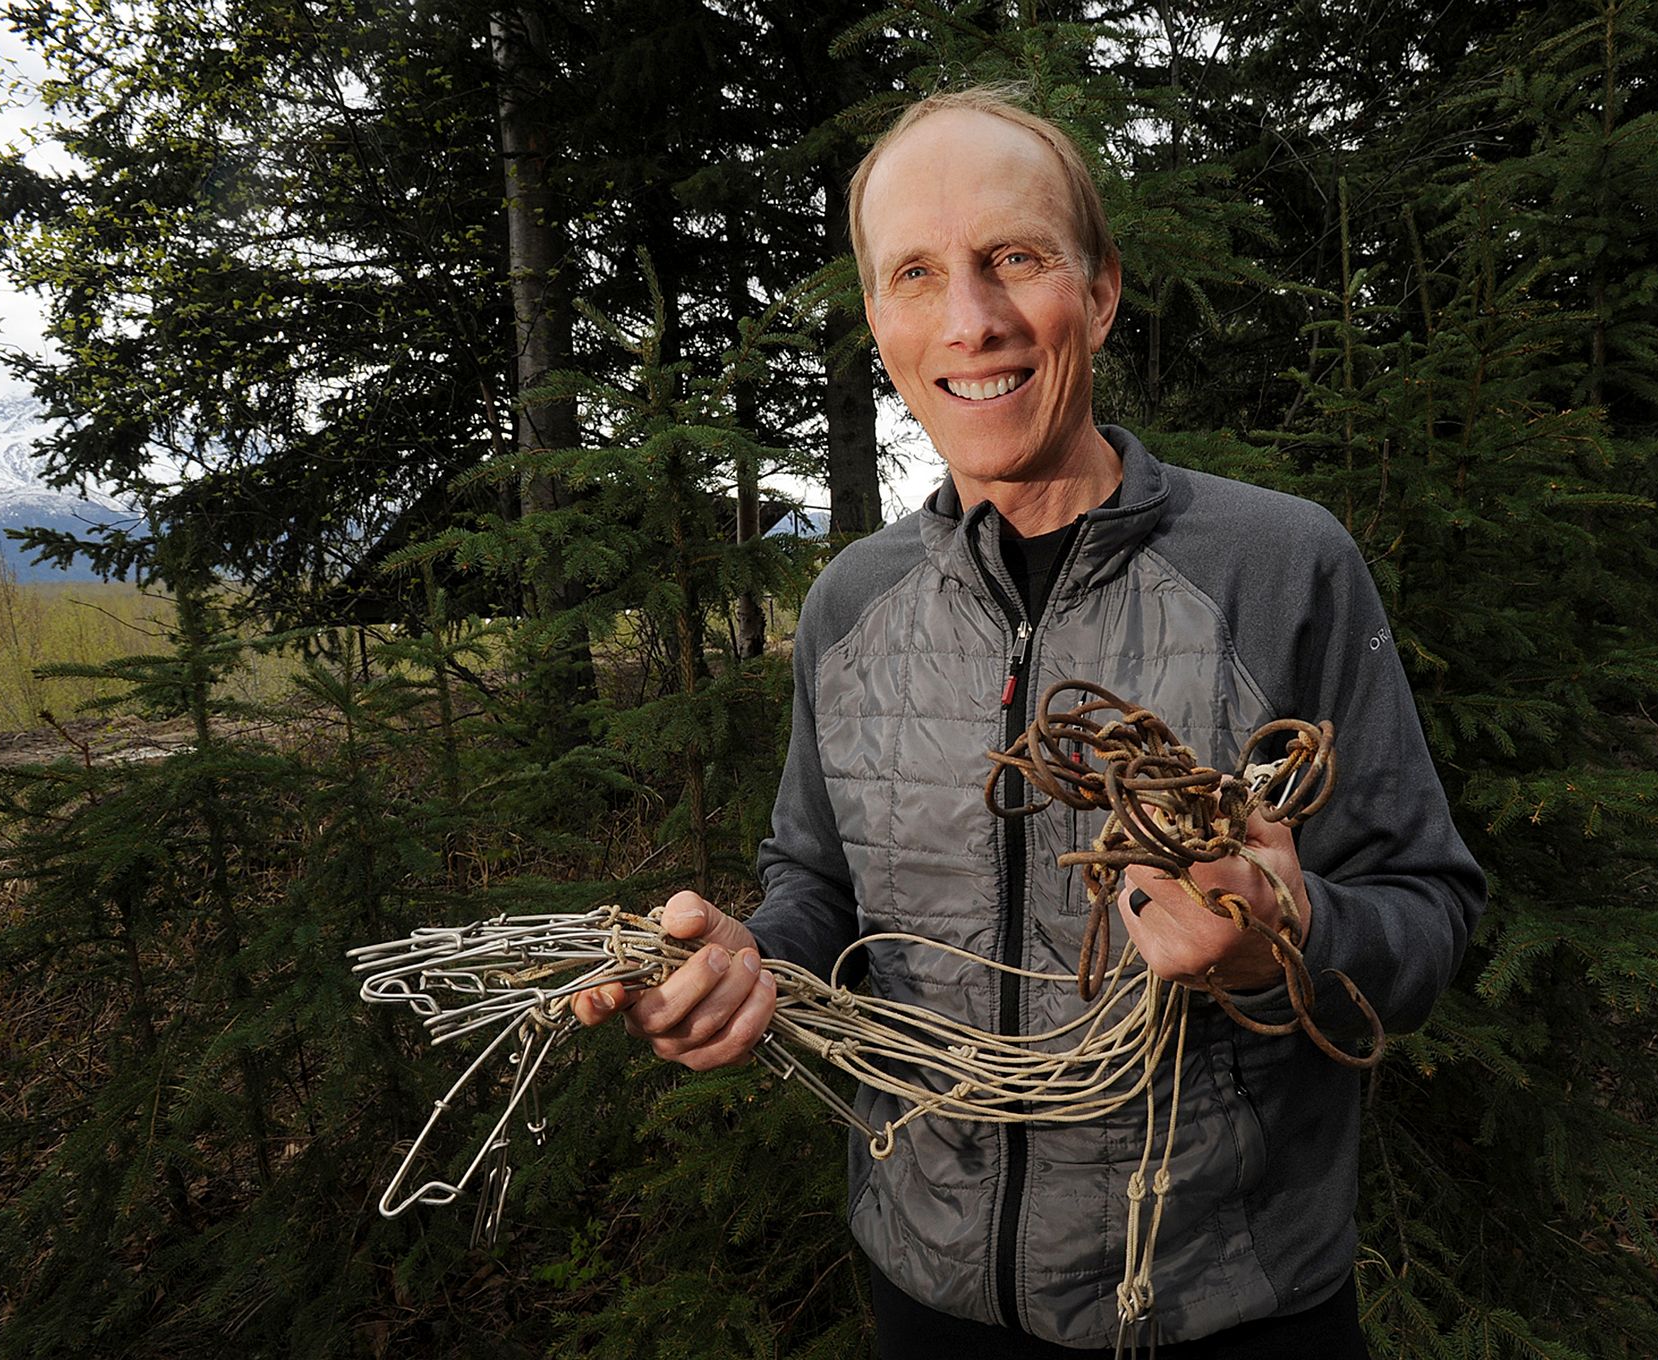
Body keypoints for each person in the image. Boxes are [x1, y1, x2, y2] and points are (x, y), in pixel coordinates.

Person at [576, 87, 1486, 1356]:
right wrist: (751, 960)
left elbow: (1430, 907)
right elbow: (817, 887)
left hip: (1229, 1303)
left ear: (1101, 291)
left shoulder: (1283, 568)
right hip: (927, 1288)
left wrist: (1288, 930)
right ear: (880, 323)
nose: (972, 320)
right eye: (916, 275)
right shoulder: (851, 605)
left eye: (1015, 258)